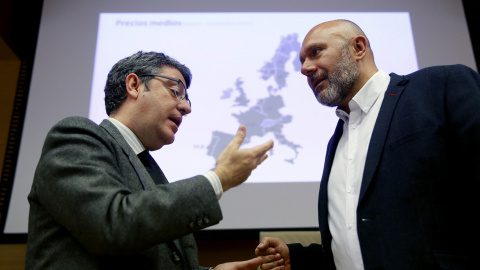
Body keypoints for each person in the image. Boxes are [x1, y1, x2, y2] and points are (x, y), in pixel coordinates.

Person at [256, 19, 479, 269]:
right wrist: (299, 258)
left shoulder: (440, 87)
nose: (305, 68)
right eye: (302, 61)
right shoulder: (337, 141)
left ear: (358, 48)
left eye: (315, 52)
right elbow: (364, 241)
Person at [25, 51, 278, 269]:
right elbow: (112, 227)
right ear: (134, 85)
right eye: (175, 91)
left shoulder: (146, 165)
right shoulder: (76, 136)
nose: (187, 108)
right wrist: (219, 178)